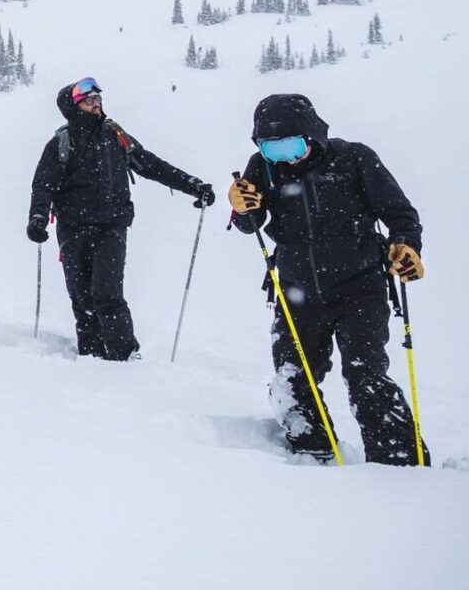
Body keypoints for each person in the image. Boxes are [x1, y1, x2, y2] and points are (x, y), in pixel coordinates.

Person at [227, 93, 428, 465]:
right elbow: (250, 223)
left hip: (360, 289)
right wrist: (240, 209)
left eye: (291, 145)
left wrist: (406, 246)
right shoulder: (262, 167)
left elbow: (401, 215)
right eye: (272, 149)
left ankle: (400, 464)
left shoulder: (354, 158)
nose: (283, 158)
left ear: (312, 136)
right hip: (296, 292)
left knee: (366, 376)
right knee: (293, 379)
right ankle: (313, 457)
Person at [26, 76, 214, 360]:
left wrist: (192, 185)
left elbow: (150, 164)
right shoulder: (60, 143)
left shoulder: (115, 136)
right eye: (89, 100)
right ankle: (91, 359)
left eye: (98, 98)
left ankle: (124, 357)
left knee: (106, 293)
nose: (96, 103)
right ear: (73, 106)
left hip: (111, 226)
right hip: (72, 228)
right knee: (81, 297)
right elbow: (43, 184)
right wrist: (38, 218)